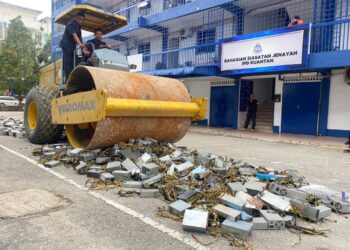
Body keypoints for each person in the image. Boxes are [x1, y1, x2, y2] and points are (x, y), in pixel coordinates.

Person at [59, 12, 85, 82]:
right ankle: (68, 80)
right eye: (80, 19)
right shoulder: (70, 24)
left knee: (76, 60)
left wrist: (84, 49)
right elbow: (74, 35)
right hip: (66, 45)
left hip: (73, 47)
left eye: (82, 19)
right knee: (67, 62)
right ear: (76, 18)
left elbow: (80, 37)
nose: (81, 21)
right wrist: (80, 44)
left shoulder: (79, 27)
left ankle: (75, 78)